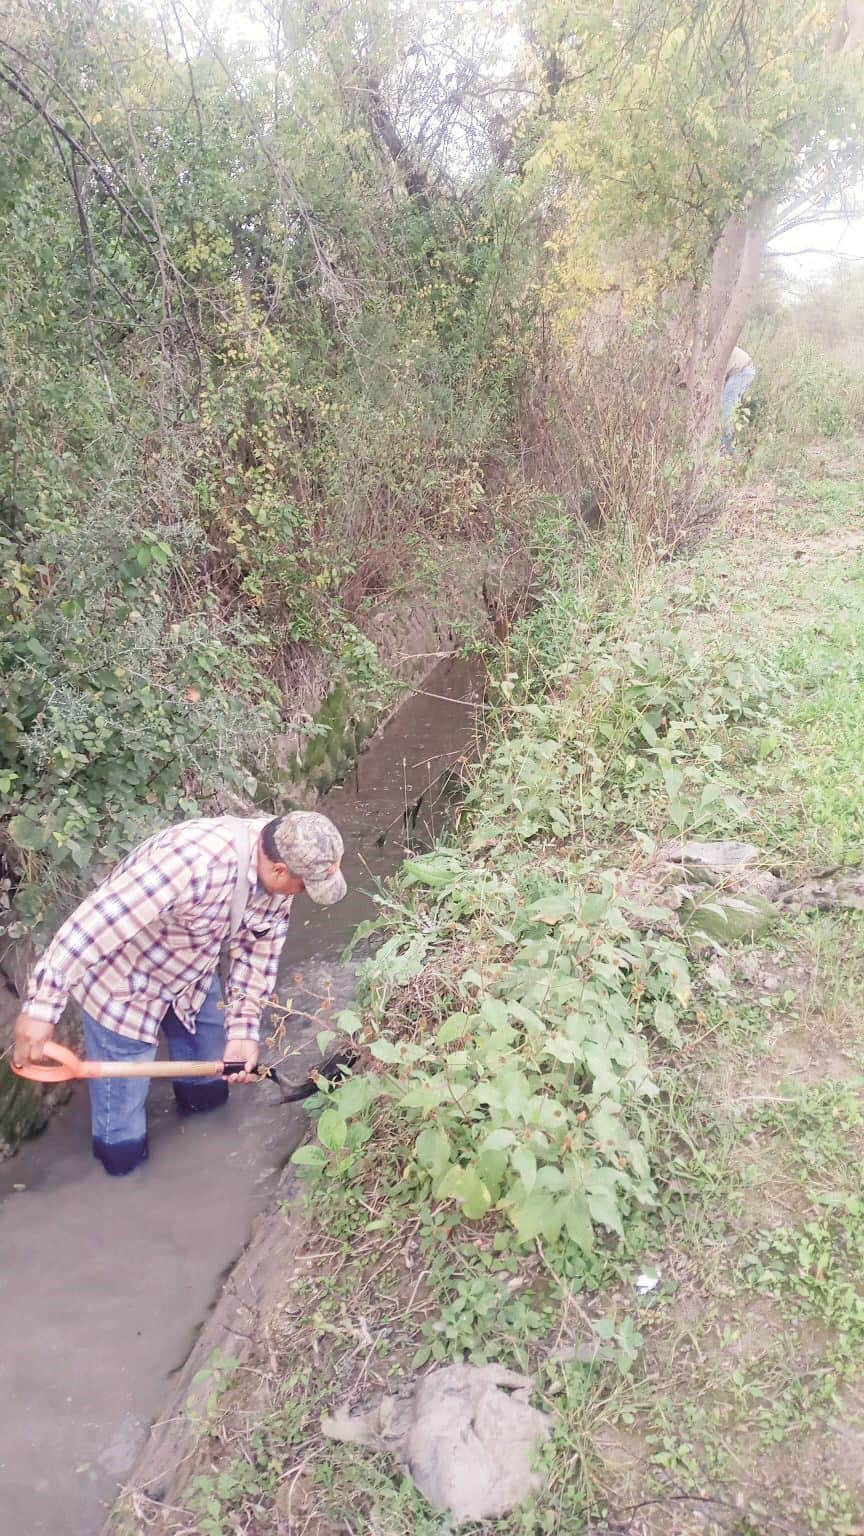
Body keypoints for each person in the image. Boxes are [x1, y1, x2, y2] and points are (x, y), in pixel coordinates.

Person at [12, 811, 346, 1176]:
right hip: (123, 985)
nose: (303, 895)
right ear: (280, 870)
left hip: (191, 975)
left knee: (210, 1092)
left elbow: (258, 952)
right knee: (122, 1129)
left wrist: (243, 1032)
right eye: (304, 886)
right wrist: (41, 1008)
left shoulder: (283, 858)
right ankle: (120, 1171)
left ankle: (198, 1126)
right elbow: (93, 925)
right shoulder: (191, 861)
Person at [720, 345, 756, 454]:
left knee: (727, 408)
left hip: (741, 370)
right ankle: (725, 447)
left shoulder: (698, 355)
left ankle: (727, 450)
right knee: (726, 407)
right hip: (739, 369)